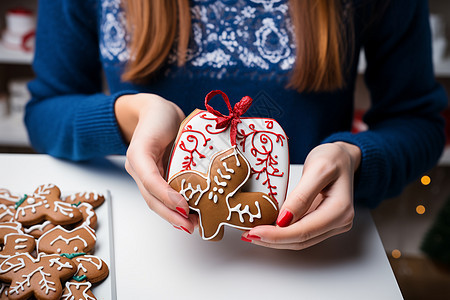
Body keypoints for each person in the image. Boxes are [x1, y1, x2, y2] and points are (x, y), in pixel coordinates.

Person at [25, 0, 448, 250]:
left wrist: (355, 157)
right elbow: (45, 111)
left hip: (319, 258)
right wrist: (127, 116)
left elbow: (419, 119)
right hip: (144, 246)